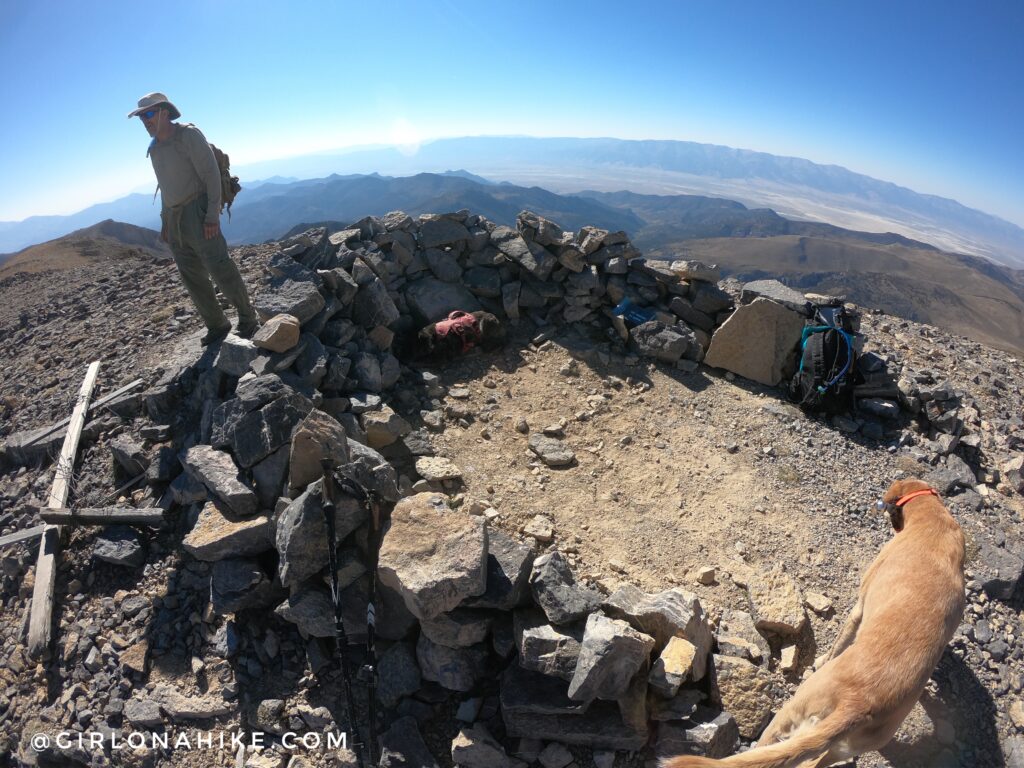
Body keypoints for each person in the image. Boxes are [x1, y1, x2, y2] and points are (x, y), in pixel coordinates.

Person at [128, 92, 258, 345]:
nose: (145, 120)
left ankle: (248, 318)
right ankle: (217, 325)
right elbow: (165, 187)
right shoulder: (154, 147)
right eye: (142, 116)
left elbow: (210, 175)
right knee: (191, 276)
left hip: (197, 210)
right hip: (175, 217)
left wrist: (211, 216)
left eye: (149, 113)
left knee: (219, 266)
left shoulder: (188, 135)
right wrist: (166, 222)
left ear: (165, 112)